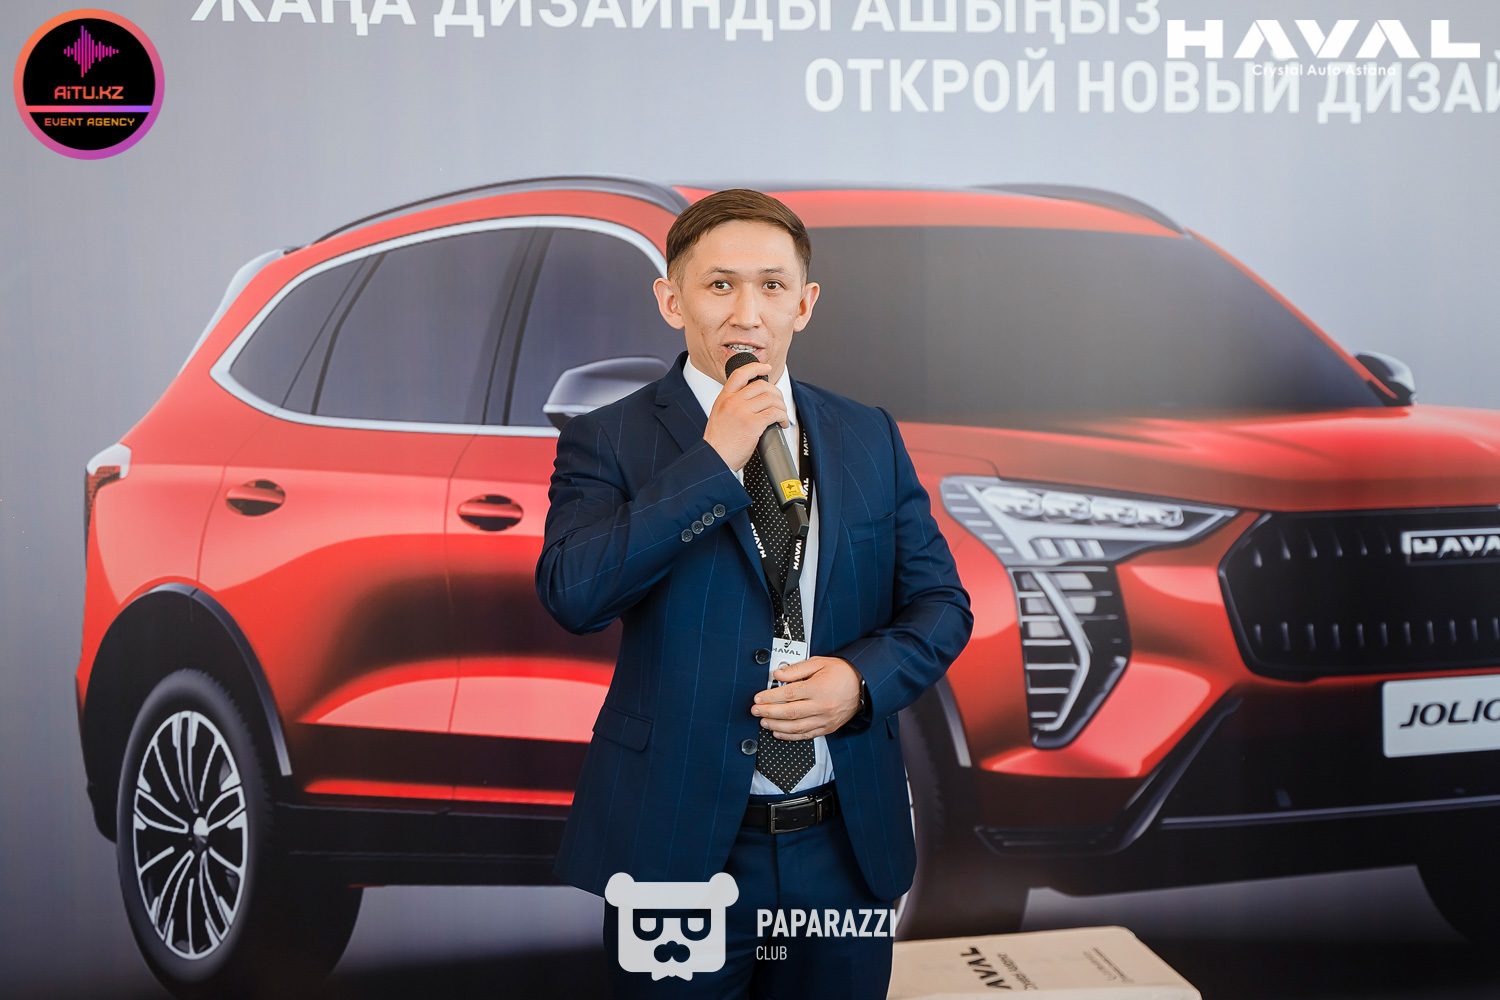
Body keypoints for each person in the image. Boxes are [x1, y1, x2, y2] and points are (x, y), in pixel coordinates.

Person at [536, 188, 972, 998]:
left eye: (772, 286)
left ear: (804, 304)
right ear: (672, 301)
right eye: (719, 285)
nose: (747, 313)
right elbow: (574, 593)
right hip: (679, 847)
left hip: (840, 844)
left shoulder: (867, 434)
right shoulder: (609, 439)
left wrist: (860, 682)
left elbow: (942, 605)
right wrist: (713, 459)